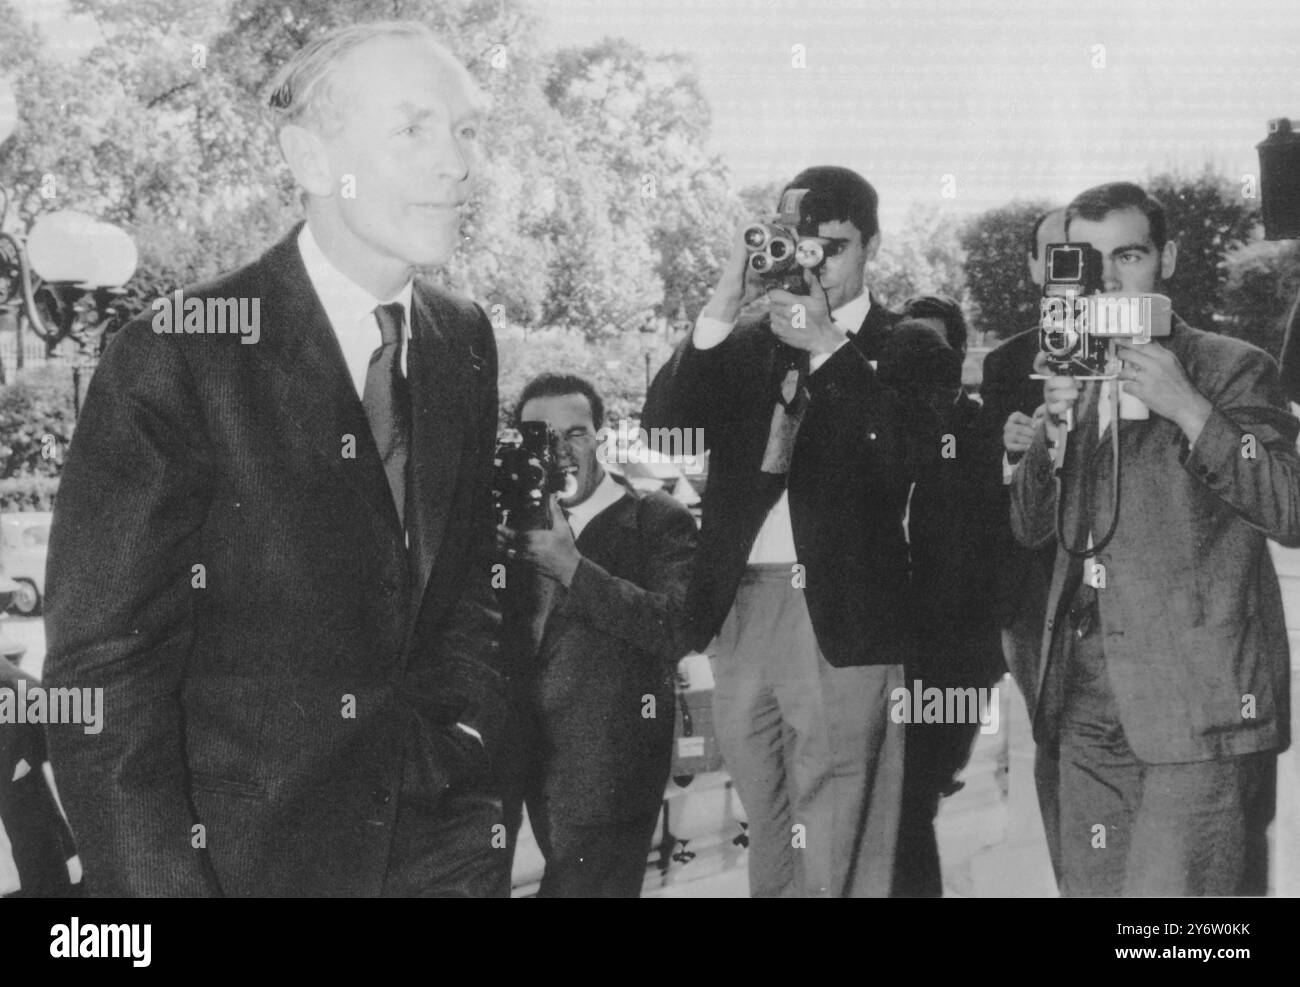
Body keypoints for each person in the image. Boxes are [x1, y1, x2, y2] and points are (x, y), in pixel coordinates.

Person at [41, 21, 508, 897]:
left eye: (466, 129)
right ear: (307, 158)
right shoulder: (180, 353)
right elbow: (102, 676)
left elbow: (470, 572)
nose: (458, 162)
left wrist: (471, 742)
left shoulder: (464, 337)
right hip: (247, 864)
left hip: (444, 846)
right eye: (414, 128)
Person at [1011, 181, 1300, 896]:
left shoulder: (1231, 364)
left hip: (1192, 703)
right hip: (1081, 703)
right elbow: (1027, 525)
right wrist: (1052, 430)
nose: (1106, 279)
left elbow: (1289, 507)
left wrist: (1190, 408)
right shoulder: (1070, 363)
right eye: (1086, 259)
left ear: (1165, 258)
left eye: (1129, 255)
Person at [643, 166, 911, 897]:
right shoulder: (745, 341)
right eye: (804, 246)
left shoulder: (909, 342)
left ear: (871, 246)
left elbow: (898, 459)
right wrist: (724, 302)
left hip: (843, 615)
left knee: (839, 832)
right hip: (745, 609)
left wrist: (827, 347)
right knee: (771, 827)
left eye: (836, 246)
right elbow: (666, 434)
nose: (818, 263)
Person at [495, 374, 697, 897]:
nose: (561, 452)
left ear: (601, 438)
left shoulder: (656, 519)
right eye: (543, 436)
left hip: (608, 766)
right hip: (514, 758)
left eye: (576, 434)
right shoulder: (511, 525)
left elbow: (676, 627)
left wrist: (572, 566)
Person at [879, 315, 1003, 898]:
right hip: (903, 654)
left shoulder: (977, 437)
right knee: (905, 805)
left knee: (910, 801)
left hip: (952, 656)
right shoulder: (901, 430)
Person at [974, 206, 1067, 883]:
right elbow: (982, 491)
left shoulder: (1147, 348)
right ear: (1035, 267)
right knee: (1056, 744)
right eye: (1053, 253)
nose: (1067, 266)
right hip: (1034, 592)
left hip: (1127, 585)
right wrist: (1012, 456)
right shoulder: (1008, 360)